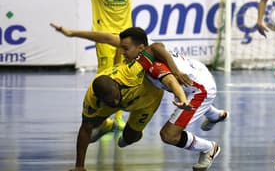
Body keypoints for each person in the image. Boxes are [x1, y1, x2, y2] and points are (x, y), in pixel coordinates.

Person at [50, 23, 228, 171]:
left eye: (125, 48)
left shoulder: (150, 63)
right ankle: (216, 115)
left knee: (168, 135)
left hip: (199, 89)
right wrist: (72, 33)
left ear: (140, 48)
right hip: (197, 69)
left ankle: (209, 148)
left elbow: (170, 77)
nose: (121, 52)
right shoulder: (141, 49)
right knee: (185, 98)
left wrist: (178, 85)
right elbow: (104, 37)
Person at [38, 0, 171, 128]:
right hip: (105, 35)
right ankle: (102, 117)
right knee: (106, 76)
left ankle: (117, 117)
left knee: (125, 75)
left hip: (126, 38)